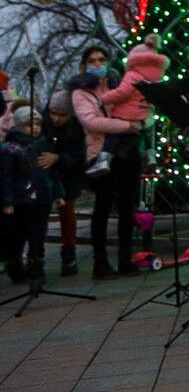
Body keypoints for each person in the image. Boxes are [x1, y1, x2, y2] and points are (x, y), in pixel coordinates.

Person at [69, 46, 145, 279]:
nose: (97, 63)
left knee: (127, 207)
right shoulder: (80, 93)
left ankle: (125, 259)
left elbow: (135, 108)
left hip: (126, 154)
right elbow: (91, 121)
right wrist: (126, 126)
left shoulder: (117, 85)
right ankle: (100, 262)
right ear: (84, 66)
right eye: (92, 60)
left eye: (101, 59)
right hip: (99, 155)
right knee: (102, 208)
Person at [96, 36, 168, 176]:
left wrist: (103, 99)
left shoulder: (133, 75)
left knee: (113, 136)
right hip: (143, 116)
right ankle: (150, 156)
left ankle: (104, 159)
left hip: (125, 115)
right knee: (146, 135)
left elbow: (122, 92)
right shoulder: (156, 79)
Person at [1, 105, 53, 291]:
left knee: (38, 236)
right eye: (30, 125)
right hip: (22, 199)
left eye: (38, 124)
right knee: (19, 235)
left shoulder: (40, 144)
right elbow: (6, 177)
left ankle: (37, 269)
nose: (36, 128)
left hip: (41, 198)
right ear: (20, 126)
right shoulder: (11, 149)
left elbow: (48, 173)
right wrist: (7, 201)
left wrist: (56, 193)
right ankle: (15, 267)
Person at [42, 91, 86, 276]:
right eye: (53, 113)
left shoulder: (76, 130)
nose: (57, 119)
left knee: (67, 213)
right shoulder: (43, 125)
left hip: (68, 176)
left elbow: (79, 157)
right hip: (45, 175)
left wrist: (59, 158)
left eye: (62, 115)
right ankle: (37, 254)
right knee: (40, 214)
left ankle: (69, 251)